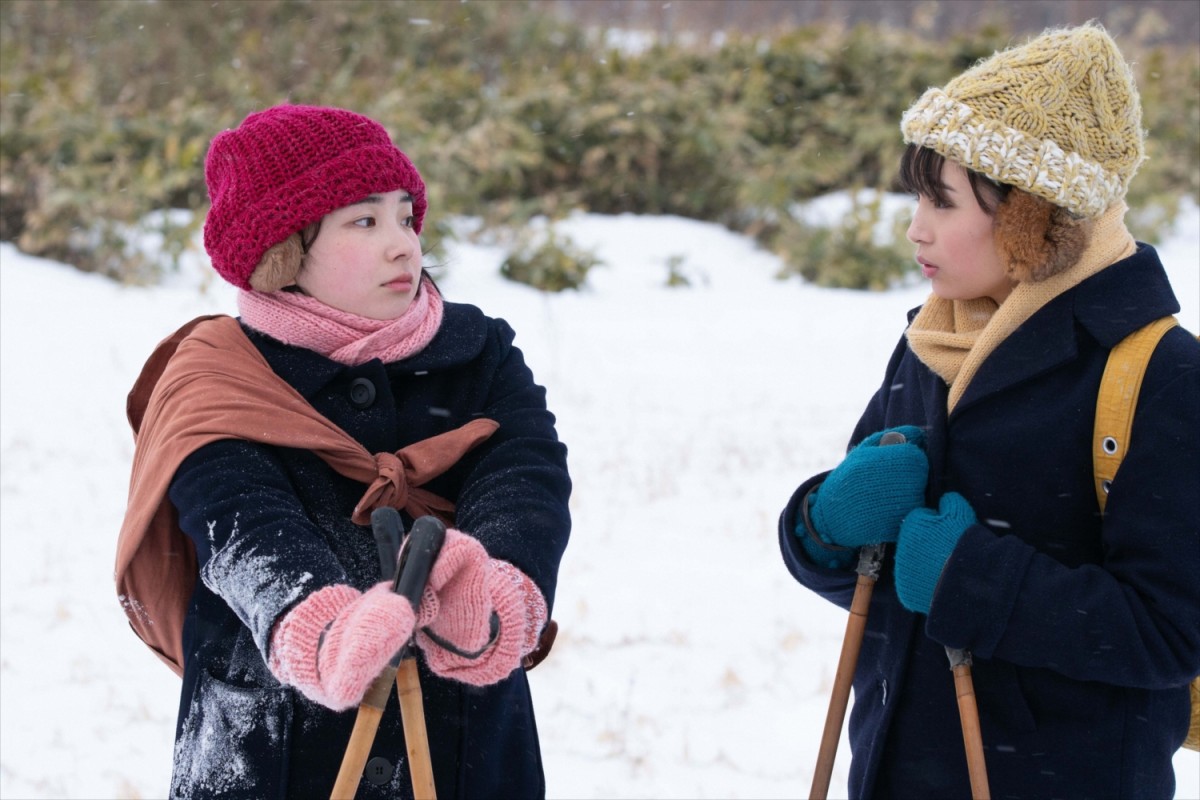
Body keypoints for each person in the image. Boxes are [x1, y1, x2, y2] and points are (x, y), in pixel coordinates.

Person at [778, 23, 1199, 799]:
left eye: (942, 200)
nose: (916, 225)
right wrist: (825, 527)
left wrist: (974, 581)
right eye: (917, 195)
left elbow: (1171, 634)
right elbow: (882, 576)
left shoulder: (1159, 374)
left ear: (1029, 214)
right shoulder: (932, 341)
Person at [115, 104, 572, 798]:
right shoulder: (220, 373)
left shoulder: (480, 353)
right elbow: (238, 516)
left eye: (405, 217)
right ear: (285, 251)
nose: (403, 245)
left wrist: (499, 581)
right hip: (275, 743)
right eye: (365, 221)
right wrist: (314, 622)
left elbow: (526, 473)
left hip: (465, 740)